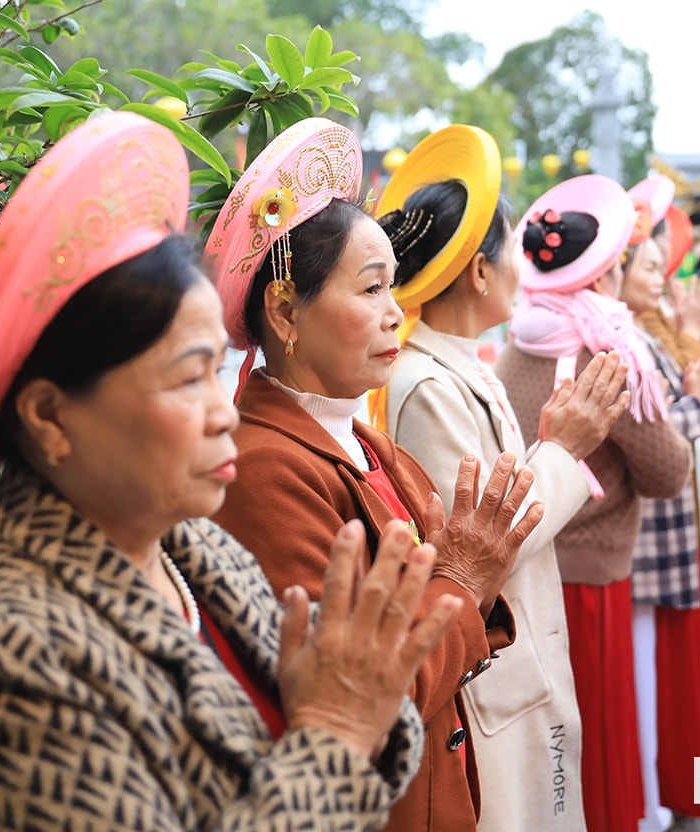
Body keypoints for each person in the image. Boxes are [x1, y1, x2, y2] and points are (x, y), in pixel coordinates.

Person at [0, 112, 461, 831]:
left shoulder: (190, 549)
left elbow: (348, 699)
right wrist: (336, 737)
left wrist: (356, 698)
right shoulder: (0, 656)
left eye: (216, 372)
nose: (223, 412)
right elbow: (336, 727)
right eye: (187, 379)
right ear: (49, 416)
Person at [205, 117, 541, 832]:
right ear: (287, 311)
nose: (396, 316)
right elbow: (365, 696)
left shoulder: (366, 441)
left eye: (393, 288)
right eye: (369, 290)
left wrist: (467, 578)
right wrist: (465, 581)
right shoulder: (264, 470)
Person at [371, 124, 631, 831]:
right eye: (512, 251)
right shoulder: (425, 384)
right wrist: (565, 445)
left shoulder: (455, 366)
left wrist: (557, 446)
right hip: (492, 674)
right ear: (480, 273)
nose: (524, 269)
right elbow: (489, 538)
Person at [493, 173, 697, 832]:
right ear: (605, 274)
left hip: (524, 569)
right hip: (591, 574)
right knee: (599, 737)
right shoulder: (608, 350)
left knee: (552, 740)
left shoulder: (518, 340)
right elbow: (667, 471)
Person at [623, 177, 700, 831]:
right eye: (647, 261)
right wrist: (699, 392)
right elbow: (667, 422)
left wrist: (689, 333)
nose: (661, 271)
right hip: (645, 527)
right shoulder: (619, 335)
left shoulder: (647, 324)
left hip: (664, 519)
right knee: (645, 678)